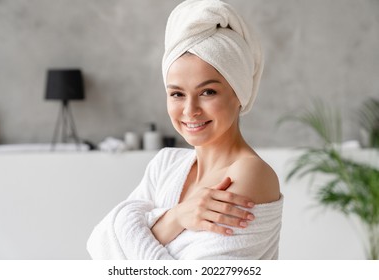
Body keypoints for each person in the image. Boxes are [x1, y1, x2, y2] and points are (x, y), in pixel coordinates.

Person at [87, 0, 283, 260]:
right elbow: (100, 245)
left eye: (208, 92)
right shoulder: (166, 164)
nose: (190, 110)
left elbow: (116, 246)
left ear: (240, 93)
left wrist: (135, 227)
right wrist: (177, 217)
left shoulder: (250, 174)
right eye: (177, 94)